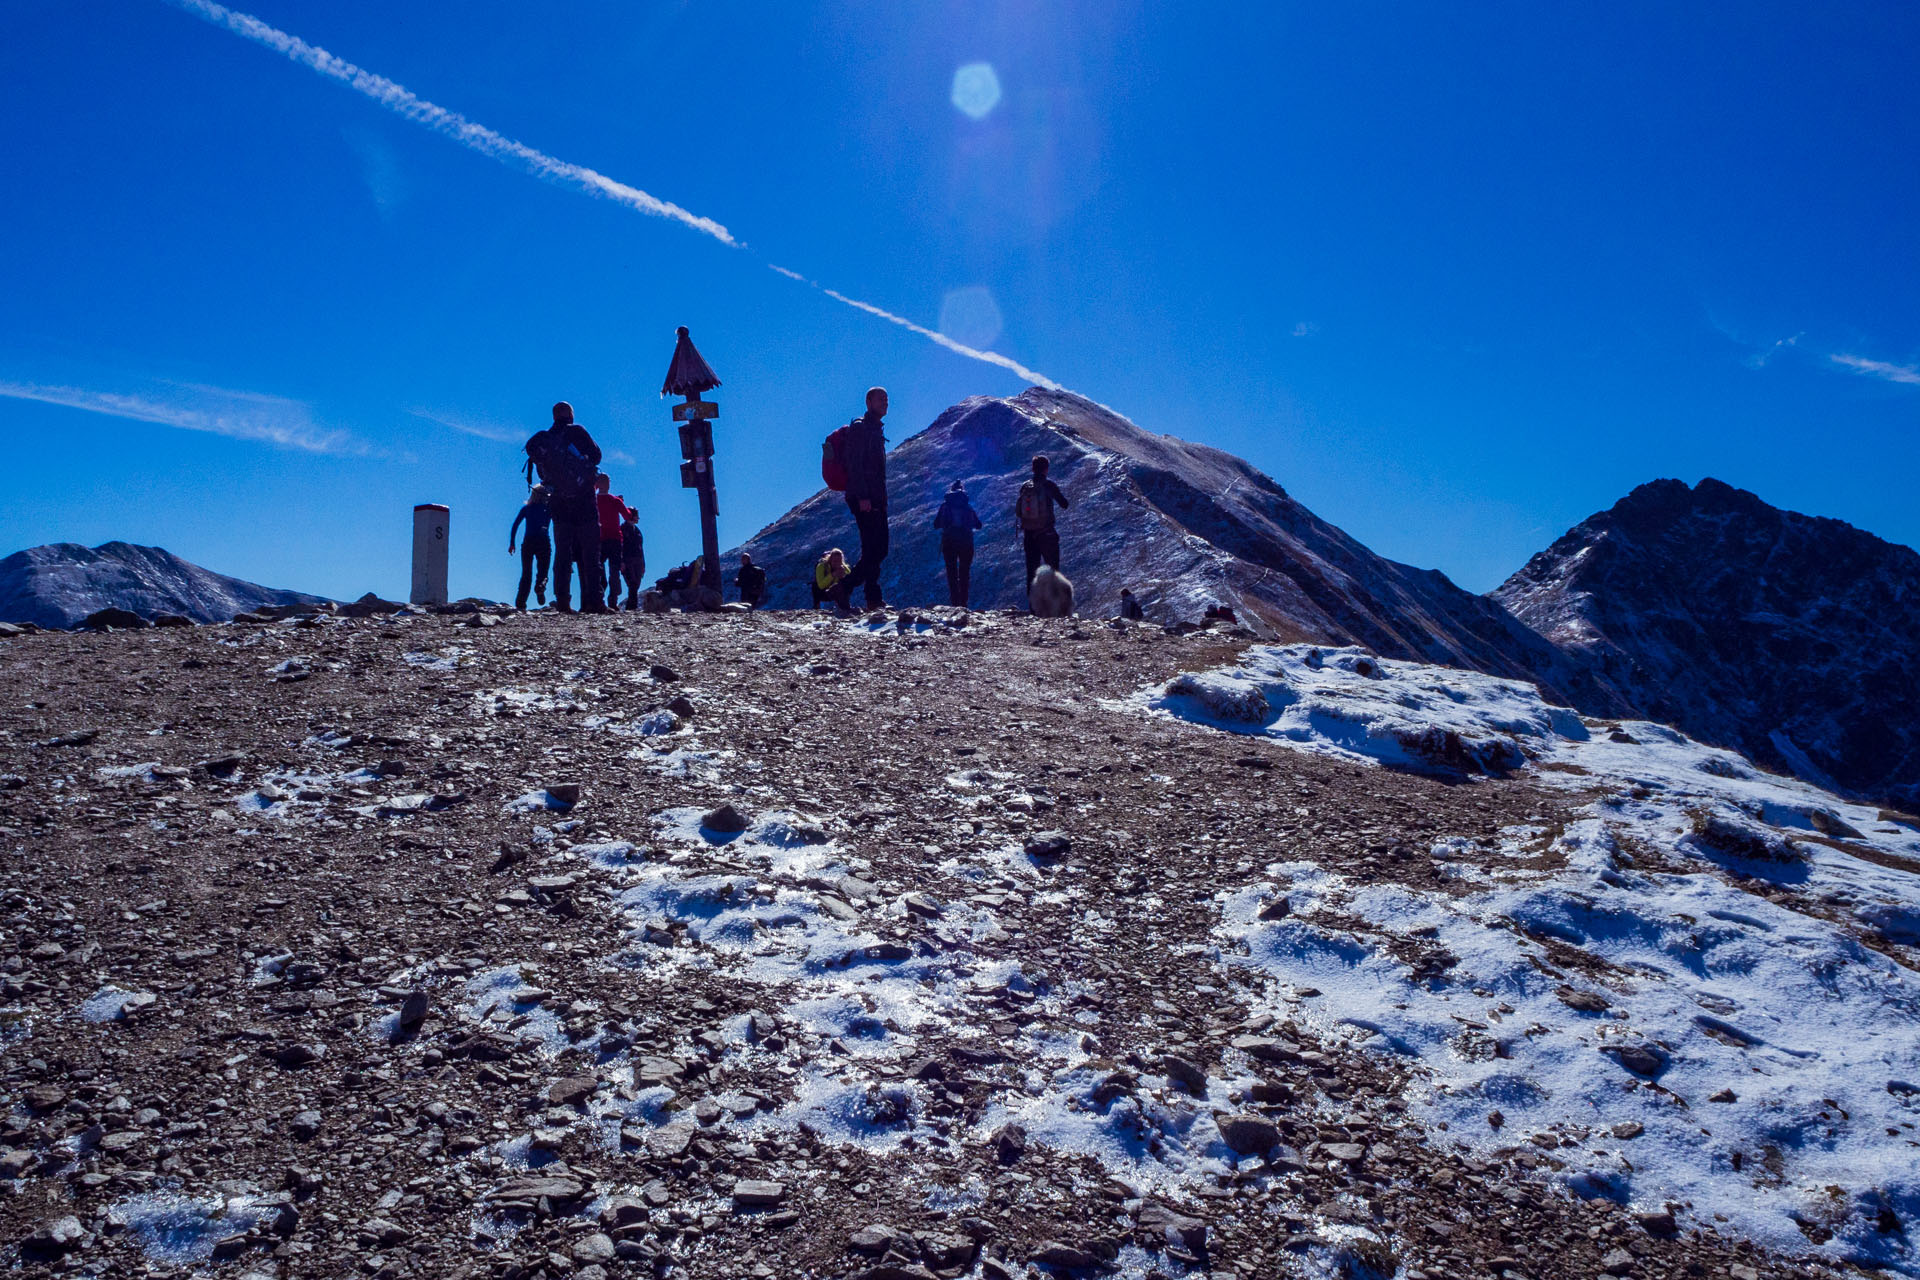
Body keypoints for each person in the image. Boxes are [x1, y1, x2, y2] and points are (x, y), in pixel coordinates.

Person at [524, 402, 607, 613]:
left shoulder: (544, 439)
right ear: (570, 415)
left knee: (563, 553)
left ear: (554, 416)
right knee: (591, 552)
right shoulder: (577, 431)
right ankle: (595, 601)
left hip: (558, 502)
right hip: (585, 500)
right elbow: (597, 456)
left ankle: (563, 601)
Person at [839, 387, 891, 610]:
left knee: (878, 548)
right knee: (874, 548)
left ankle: (867, 595)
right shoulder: (861, 428)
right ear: (868, 401)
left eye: (887, 400)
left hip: (875, 498)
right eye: (881, 399)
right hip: (865, 497)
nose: (886, 403)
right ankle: (851, 590)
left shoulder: (875, 430)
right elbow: (855, 464)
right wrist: (862, 496)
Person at [1014, 454, 1070, 588]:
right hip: (1047, 534)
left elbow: (1018, 511)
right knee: (1053, 571)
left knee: (1031, 572)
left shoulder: (1025, 486)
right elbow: (1064, 504)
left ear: (1033, 469)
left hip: (1029, 535)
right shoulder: (1049, 485)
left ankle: (1034, 608)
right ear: (1046, 469)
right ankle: (1052, 607)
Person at [931, 480, 983, 608]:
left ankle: (955, 603)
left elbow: (936, 524)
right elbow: (978, 525)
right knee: (964, 572)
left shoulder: (945, 506)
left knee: (951, 573)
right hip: (966, 542)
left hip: (949, 542)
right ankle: (964, 603)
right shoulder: (967, 506)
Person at [594, 475, 636, 611]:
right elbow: (628, 516)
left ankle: (598, 596)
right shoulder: (615, 500)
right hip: (615, 540)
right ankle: (612, 601)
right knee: (614, 570)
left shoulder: (593, 500)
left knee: (598, 569)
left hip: (599, 539)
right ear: (608, 484)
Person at [508, 485, 552, 610]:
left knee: (526, 573)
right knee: (543, 569)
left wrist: (512, 543)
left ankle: (521, 602)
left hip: (528, 542)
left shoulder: (527, 508)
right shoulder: (548, 509)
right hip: (543, 541)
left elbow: (515, 525)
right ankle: (540, 587)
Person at [620, 512, 646, 611]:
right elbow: (620, 546)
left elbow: (641, 548)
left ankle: (631, 607)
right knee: (632, 583)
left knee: (636, 583)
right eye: (636, 516)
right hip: (627, 560)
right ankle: (631, 608)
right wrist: (621, 561)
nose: (638, 518)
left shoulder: (637, 531)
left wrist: (643, 564)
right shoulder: (623, 529)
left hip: (638, 560)